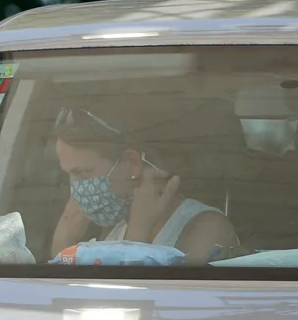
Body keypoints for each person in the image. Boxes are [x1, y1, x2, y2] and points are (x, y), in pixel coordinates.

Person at [48, 107, 238, 263]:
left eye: (82, 173)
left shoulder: (206, 227)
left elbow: (145, 302)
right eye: (69, 175)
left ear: (133, 163)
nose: (75, 187)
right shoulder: (117, 226)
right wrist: (63, 244)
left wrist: (138, 233)